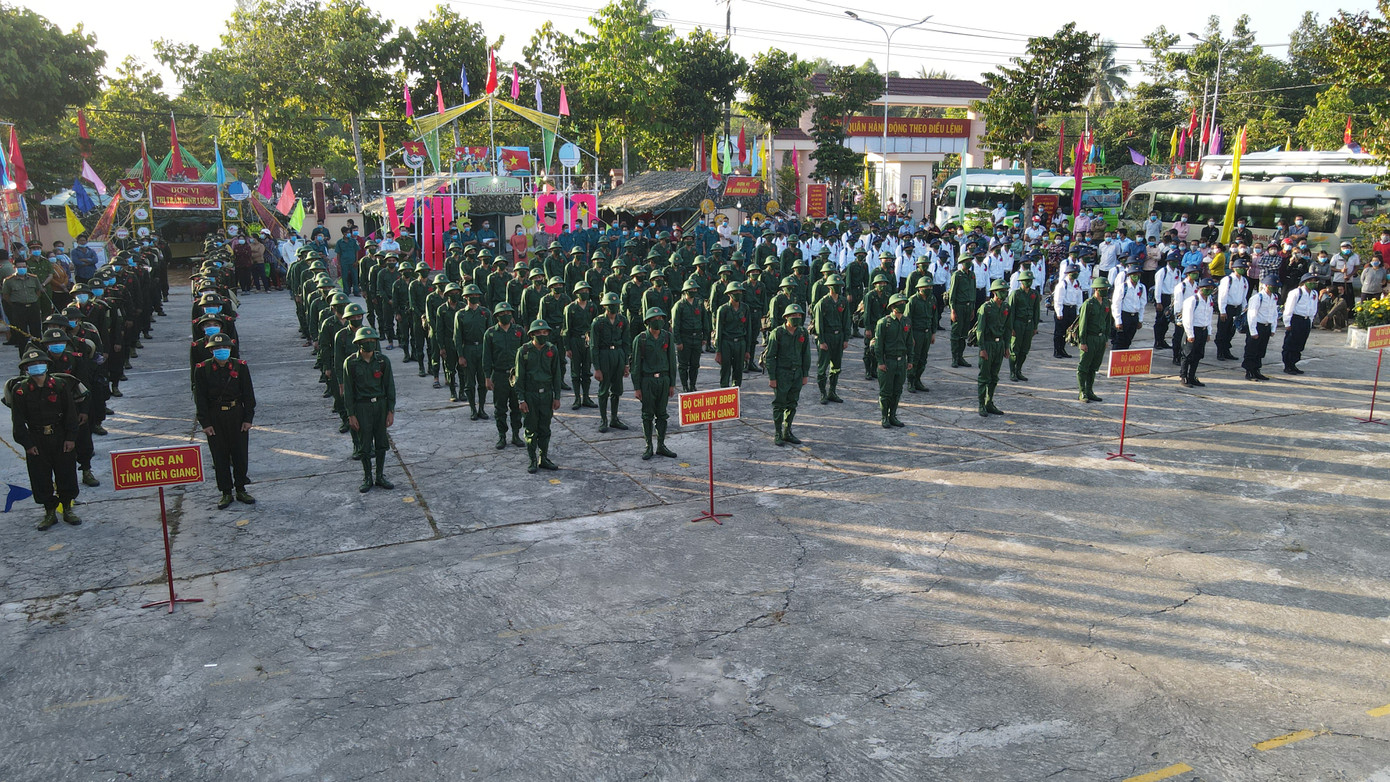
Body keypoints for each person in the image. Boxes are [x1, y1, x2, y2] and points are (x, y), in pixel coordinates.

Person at [7, 346, 82, 528]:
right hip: (37, 438)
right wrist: (27, 443)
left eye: (40, 362)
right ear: (26, 368)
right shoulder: (20, 390)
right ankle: (49, 512)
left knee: (66, 472)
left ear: (47, 365)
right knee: (40, 476)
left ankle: (67, 508)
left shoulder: (60, 385)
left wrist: (71, 437)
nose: (37, 366)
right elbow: (18, 421)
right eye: (32, 364)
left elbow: (70, 414)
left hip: (60, 436)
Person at [193, 332, 256, 509]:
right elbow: (200, 398)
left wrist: (248, 418)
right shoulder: (202, 369)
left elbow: (248, 395)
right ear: (211, 350)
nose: (222, 350)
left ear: (230, 348)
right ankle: (226, 492)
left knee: (240, 453)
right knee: (219, 455)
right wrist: (205, 423)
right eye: (218, 348)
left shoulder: (240, 367)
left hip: (236, 414)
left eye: (225, 347)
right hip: (215, 416)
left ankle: (241, 488)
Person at [342, 326, 396, 492]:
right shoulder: (351, 363)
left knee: (381, 442)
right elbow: (348, 392)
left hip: (380, 405)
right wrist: (351, 414)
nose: (370, 343)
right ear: (359, 343)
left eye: (372, 340)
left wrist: (390, 410)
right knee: (365, 444)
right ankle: (367, 477)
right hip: (362, 407)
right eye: (366, 341)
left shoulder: (382, 361)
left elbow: (389, 387)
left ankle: (380, 475)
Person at [630, 307, 678, 460]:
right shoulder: (641, 339)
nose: (659, 321)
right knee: (647, 414)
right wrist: (637, 387)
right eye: (655, 319)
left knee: (662, 414)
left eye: (661, 319)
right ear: (648, 322)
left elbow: (672, 361)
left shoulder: (667, 337)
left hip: (663, 380)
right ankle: (648, 446)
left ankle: (661, 445)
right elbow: (635, 365)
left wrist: (672, 384)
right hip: (647, 381)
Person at [515, 319, 561, 473]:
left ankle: (544, 457)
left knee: (545, 428)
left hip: (546, 394)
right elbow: (519, 377)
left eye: (545, 332)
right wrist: (521, 399)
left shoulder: (552, 350)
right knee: (530, 428)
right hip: (530, 395)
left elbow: (556, 374)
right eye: (539, 333)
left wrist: (557, 396)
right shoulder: (524, 351)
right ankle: (532, 459)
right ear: (532, 334)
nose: (542, 335)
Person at [481, 302, 526, 448]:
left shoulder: (518, 330)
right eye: (501, 313)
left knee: (516, 406)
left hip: (516, 375)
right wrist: (487, 377)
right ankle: (502, 436)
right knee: (500, 408)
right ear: (496, 316)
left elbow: (526, 354)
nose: (505, 315)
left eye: (507, 313)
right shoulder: (490, 333)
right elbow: (487, 357)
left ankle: (516, 435)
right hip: (499, 375)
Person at [590, 292, 631, 432]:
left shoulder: (623, 320)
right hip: (604, 355)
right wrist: (597, 368)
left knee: (617, 389)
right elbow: (594, 346)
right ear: (605, 306)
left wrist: (626, 364)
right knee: (604, 390)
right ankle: (604, 420)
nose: (614, 307)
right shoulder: (598, 322)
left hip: (618, 354)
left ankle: (614, 418)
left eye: (616, 305)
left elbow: (626, 343)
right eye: (611, 305)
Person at [874, 293, 913, 428]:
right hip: (888, 361)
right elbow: (878, 345)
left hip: (901, 362)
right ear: (892, 307)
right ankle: (884, 416)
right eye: (899, 304)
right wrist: (880, 362)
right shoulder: (884, 323)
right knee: (886, 392)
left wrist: (910, 360)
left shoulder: (907, 322)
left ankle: (893, 415)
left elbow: (909, 343)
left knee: (897, 391)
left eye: (904, 303)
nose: (902, 305)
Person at [814, 275, 851, 402]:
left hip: (838, 337)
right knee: (822, 367)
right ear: (829, 287)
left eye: (840, 285)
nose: (838, 288)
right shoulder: (823, 303)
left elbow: (846, 321)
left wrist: (846, 339)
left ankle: (832, 391)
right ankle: (823, 393)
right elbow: (818, 324)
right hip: (827, 336)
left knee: (836, 366)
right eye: (835, 285)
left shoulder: (843, 302)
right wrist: (821, 341)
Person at [1075, 278, 1112, 403]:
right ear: (1096, 289)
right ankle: (1082, 392)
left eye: (1106, 288)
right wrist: (1082, 342)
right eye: (1103, 289)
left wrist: (1106, 338)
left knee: (1094, 366)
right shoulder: (1089, 304)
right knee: (1084, 366)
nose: (1105, 291)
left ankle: (1089, 390)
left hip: (1101, 338)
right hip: (1090, 338)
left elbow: (1108, 322)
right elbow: (1083, 324)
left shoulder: (1106, 303)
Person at [671, 279, 708, 393]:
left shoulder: (699, 304)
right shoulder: (679, 305)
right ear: (685, 291)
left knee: (695, 364)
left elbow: (705, 321)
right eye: (691, 289)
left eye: (695, 289)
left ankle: (692, 384)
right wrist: (678, 341)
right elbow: (675, 325)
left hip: (697, 337)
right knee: (683, 365)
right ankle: (684, 385)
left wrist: (705, 337)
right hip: (685, 337)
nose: (693, 291)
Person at [1179, 278, 1216, 387]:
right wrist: (1190, 334)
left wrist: (1209, 332)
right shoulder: (1192, 300)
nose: (1209, 290)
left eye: (1211, 288)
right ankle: (1184, 376)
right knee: (1187, 354)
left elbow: (1209, 316)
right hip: (1193, 329)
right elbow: (1187, 319)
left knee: (1198, 355)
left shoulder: (1209, 300)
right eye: (1207, 288)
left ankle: (1192, 376)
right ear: (1200, 288)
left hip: (1203, 329)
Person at [1242, 274, 1279, 382]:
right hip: (1257, 326)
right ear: (1266, 285)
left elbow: (1274, 313)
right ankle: (1249, 371)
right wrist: (1253, 331)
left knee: (1261, 350)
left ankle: (1256, 370)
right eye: (1272, 285)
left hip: (1266, 326)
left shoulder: (1274, 297)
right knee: (1251, 350)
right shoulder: (1258, 298)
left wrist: (1273, 328)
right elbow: (1252, 315)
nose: (1274, 288)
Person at [3, 255, 44, 351]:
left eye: (24, 267)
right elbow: (6, 296)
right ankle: (24, 354)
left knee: (36, 332)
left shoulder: (33, 278)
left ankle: (39, 352)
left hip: (33, 307)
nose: (22, 269)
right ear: (15, 268)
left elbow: (38, 291)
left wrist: (33, 299)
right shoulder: (9, 281)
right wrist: (15, 303)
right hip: (19, 308)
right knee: (21, 333)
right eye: (19, 267)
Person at [714, 282, 750, 388]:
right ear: (729, 294)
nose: (738, 294)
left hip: (740, 342)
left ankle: (736, 390)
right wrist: (718, 351)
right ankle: (724, 390)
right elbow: (719, 331)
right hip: (727, 342)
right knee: (725, 369)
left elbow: (748, 328)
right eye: (735, 292)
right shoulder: (723, 309)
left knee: (739, 369)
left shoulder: (745, 308)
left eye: (740, 291)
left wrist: (747, 350)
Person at [1007, 269, 1040, 382]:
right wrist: (1011, 327)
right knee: (1015, 349)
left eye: (1030, 280)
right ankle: (1012, 372)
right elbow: (1011, 312)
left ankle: (1018, 370)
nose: (1029, 282)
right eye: (1026, 280)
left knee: (1025, 349)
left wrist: (1035, 326)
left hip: (1029, 324)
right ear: (1021, 281)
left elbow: (1036, 311)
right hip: (1018, 323)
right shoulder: (1016, 294)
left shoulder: (1034, 294)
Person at [1282, 273, 1319, 375]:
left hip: (1306, 320)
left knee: (1300, 344)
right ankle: (1288, 365)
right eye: (1310, 281)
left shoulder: (1314, 294)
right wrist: (1287, 323)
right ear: (1304, 282)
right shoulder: (1296, 292)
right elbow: (1289, 308)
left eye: (1314, 281)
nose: (1313, 283)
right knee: (1290, 343)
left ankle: (1293, 364)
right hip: (1296, 319)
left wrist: (1310, 321)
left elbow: (1313, 308)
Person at [906, 278, 937, 392]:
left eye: (930, 287)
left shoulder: (932, 299)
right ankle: (911, 381)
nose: (929, 289)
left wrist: (933, 333)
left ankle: (918, 379)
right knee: (914, 358)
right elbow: (907, 320)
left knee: (923, 358)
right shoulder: (913, 300)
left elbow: (934, 317)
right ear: (919, 288)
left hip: (927, 332)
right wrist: (910, 336)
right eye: (926, 287)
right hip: (916, 332)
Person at [1215, 259, 1249, 361]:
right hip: (1227, 307)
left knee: (1231, 331)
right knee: (1222, 330)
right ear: (1234, 268)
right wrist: (1222, 311)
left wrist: (1244, 309)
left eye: (1244, 268)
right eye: (1240, 268)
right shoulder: (1228, 280)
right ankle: (1220, 352)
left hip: (1237, 308)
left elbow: (1244, 296)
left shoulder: (1244, 281)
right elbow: (1222, 296)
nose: (1242, 270)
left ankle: (1226, 350)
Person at [947, 257, 975, 367]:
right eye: (966, 261)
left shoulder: (972, 275)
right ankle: (954, 358)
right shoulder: (957, 275)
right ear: (962, 263)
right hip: (959, 306)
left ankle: (960, 357)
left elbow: (973, 291)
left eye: (970, 261)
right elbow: (952, 293)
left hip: (968, 307)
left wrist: (972, 308)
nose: (969, 263)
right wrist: (952, 310)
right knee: (956, 334)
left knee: (964, 334)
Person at [1111, 263, 1146, 349]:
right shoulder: (1123, 287)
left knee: (1128, 340)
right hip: (1124, 315)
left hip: (1134, 316)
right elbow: (1116, 304)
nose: (1136, 276)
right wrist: (1118, 321)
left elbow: (1142, 304)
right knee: (1119, 340)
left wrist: (1140, 320)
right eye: (1134, 274)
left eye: (1138, 274)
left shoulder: (1141, 287)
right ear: (1129, 275)